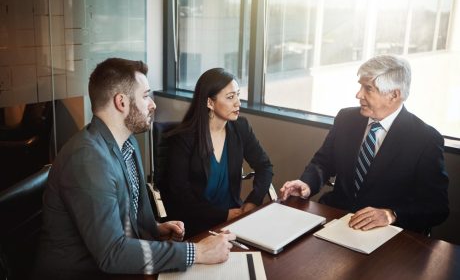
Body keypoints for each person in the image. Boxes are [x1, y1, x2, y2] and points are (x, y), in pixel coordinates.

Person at [35, 58, 236, 279]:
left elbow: (125, 212)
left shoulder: (127, 143)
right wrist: (197, 251)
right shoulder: (88, 159)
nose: (153, 104)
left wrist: (155, 228)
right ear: (121, 102)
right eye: (145, 95)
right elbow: (112, 254)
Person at [279, 54, 449, 233]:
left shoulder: (425, 139)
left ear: (394, 95)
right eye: (360, 86)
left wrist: (392, 214)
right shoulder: (346, 118)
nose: (358, 94)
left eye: (368, 88)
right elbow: (323, 162)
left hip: (388, 234)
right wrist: (307, 184)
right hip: (336, 217)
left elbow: (437, 206)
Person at [160, 68, 273, 238]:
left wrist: (252, 202)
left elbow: (265, 166)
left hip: (235, 219)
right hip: (197, 224)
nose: (238, 103)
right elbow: (181, 197)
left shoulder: (240, 127)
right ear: (210, 103)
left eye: (237, 95)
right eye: (230, 97)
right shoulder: (184, 139)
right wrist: (224, 215)